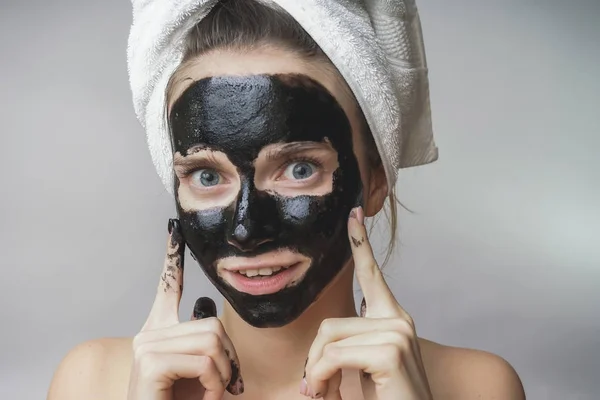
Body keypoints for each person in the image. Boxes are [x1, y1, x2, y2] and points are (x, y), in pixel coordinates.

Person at [48, 1, 525, 399]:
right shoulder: (93, 382)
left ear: (376, 179)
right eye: (207, 174)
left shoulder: (478, 387)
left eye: (300, 169)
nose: (246, 230)